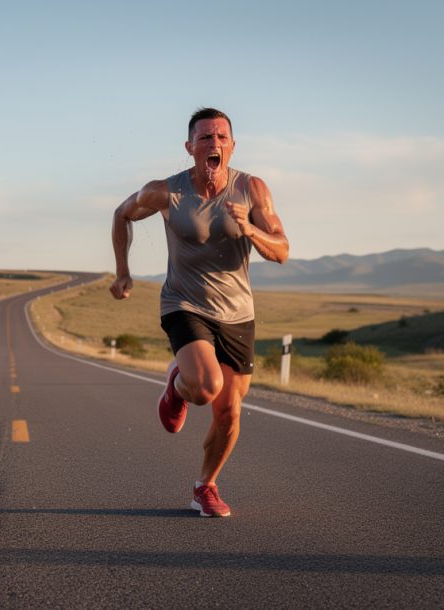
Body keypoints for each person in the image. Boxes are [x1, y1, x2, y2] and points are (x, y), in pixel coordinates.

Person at [110, 108, 288, 517]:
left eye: (222, 137)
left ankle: (205, 486)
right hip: (184, 303)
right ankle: (180, 384)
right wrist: (123, 273)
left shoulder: (253, 190)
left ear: (233, 145)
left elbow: (281, 250)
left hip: (238, 313)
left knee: (230, 411)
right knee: (206, 388)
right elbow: (122, 214)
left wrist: (251, 230)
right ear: (190, 148)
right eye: (205, 138)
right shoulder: (166, 192)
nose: (215, 144)